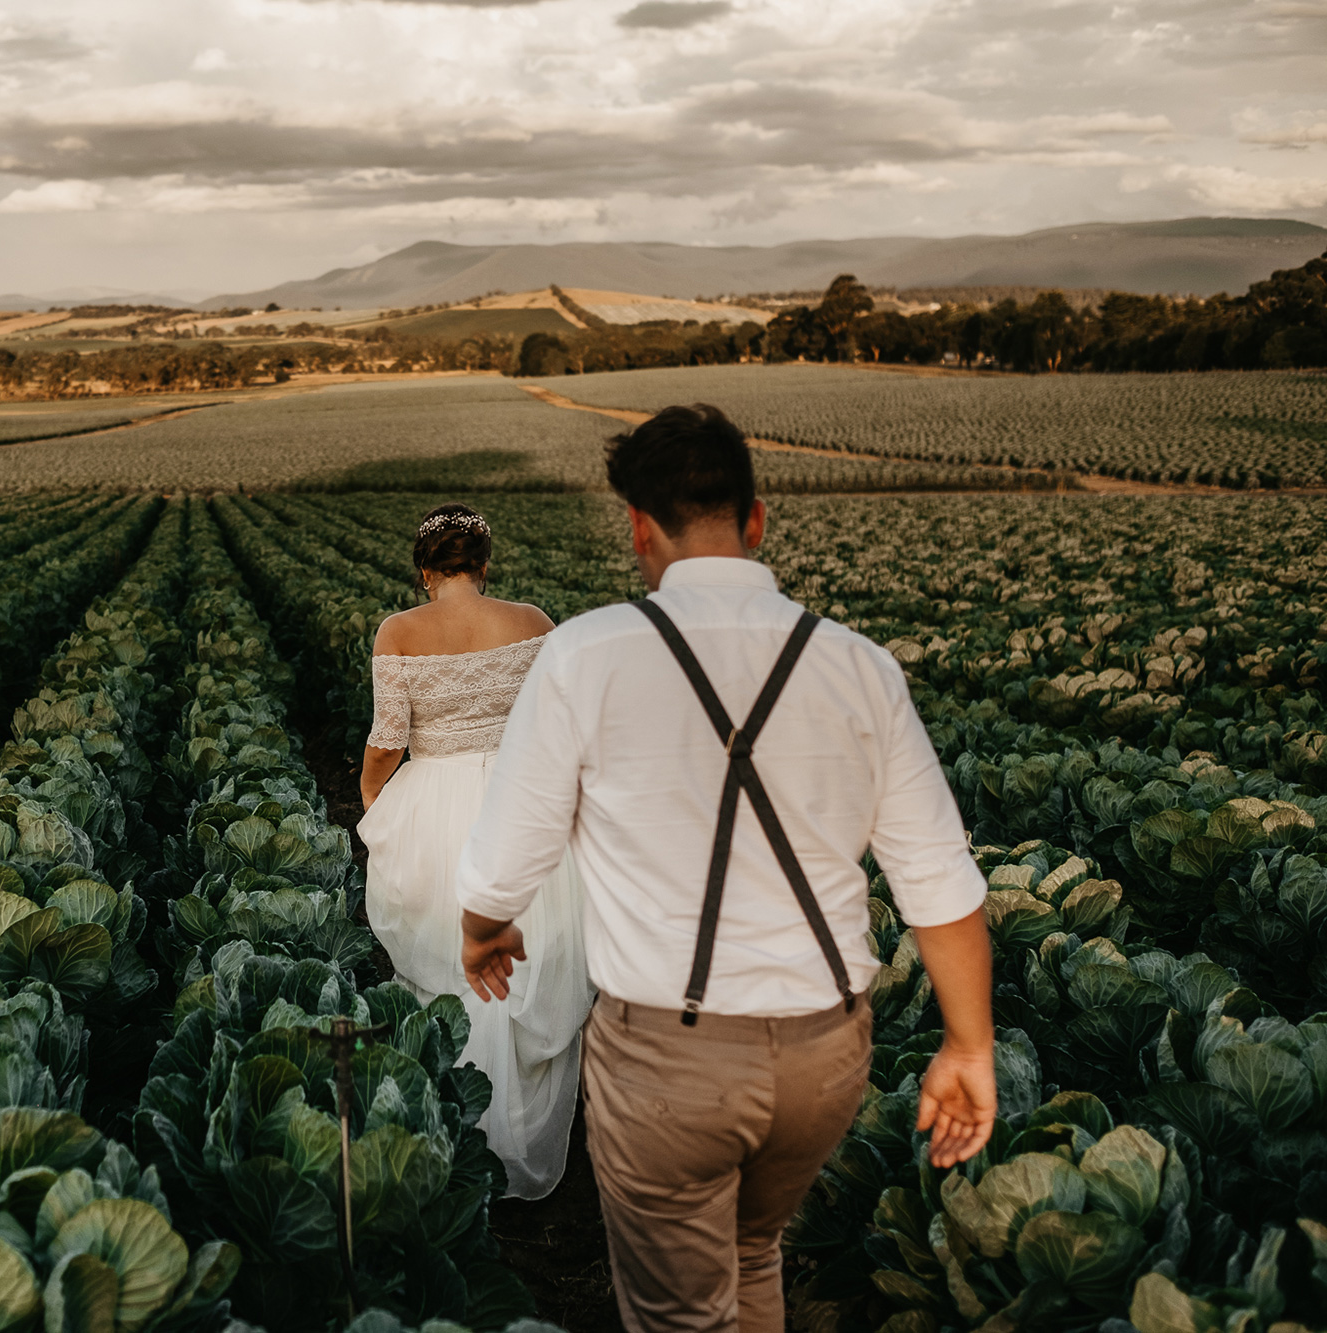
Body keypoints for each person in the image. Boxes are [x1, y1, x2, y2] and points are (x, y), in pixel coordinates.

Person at [454, 405, 997, 1333]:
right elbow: (940, 885)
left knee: (679, 1314)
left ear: (639, 530)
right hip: (826, 1056)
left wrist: (484, 933)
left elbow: (504, 863)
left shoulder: (586, 653)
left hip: (671, 1056)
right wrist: (969, 1046)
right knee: (753, 1254)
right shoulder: (860, 666)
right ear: (756, 522)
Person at [357, 503, 596, 1199]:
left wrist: (377, 801)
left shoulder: (398, 630)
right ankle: (525, 1135)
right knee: (529, 965)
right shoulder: (535, 623)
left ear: (424, 571)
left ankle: (460, 1137)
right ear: (484, 566)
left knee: (452, 968)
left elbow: (387, 739)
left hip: (438, 804)